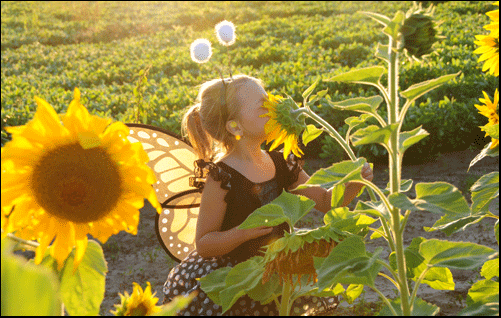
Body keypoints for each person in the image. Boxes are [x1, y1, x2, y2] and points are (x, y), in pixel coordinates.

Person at [162, 74, 374, 316]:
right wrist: (242, 233)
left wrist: (353, 184)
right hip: (240, 277)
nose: (274, 108)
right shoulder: (222, 177)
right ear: (235, 127)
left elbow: (325, 202)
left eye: (270, 101)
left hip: (280, 268)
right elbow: (204, 243)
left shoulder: (283, 161)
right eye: (263, 106)